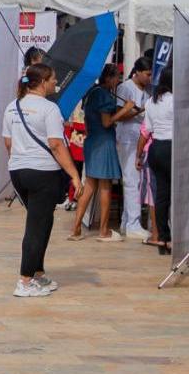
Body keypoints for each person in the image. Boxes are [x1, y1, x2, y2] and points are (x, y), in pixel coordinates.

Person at [3, 65, 79, 298]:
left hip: (18, 171)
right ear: (43, 81)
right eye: (54, 78)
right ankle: (24, 281)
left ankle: (37, 272)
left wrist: (20, 160)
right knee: (36, 226)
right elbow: (56, 145)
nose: (56, 83)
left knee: (43, 221)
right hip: (43, 172)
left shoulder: (12, 107)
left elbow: (8, 142)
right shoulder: (50, 109)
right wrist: (75, 175)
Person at [68, 63, 124, 241]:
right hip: (104, 142)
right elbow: (107, 122)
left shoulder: (91, 93)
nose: (119, 80)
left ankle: (76, 228)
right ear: (109, 77)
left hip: (91, 141)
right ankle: (104, 230)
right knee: (105, 186)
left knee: (90, 185)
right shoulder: (105, 95)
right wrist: (127, 110)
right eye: (117, 77)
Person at [140, 69, 178, 253]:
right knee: (178, 195)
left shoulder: (151, 101)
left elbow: (147, 128)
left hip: (156, 148)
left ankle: (163, 237)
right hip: (172, 147)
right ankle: (175, 237)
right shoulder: (174, 100)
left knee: (161, 194)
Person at [116, 61, 152, 237]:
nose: (149, 78)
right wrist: (140, 111)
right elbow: (120, 115)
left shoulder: (146, 91)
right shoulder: (125, 88)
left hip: (139, 139)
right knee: (132, 181)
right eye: (147, 74)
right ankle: (133, 223)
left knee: (135, 181)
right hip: (128, 139)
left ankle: (126, 221)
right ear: (137, 72)